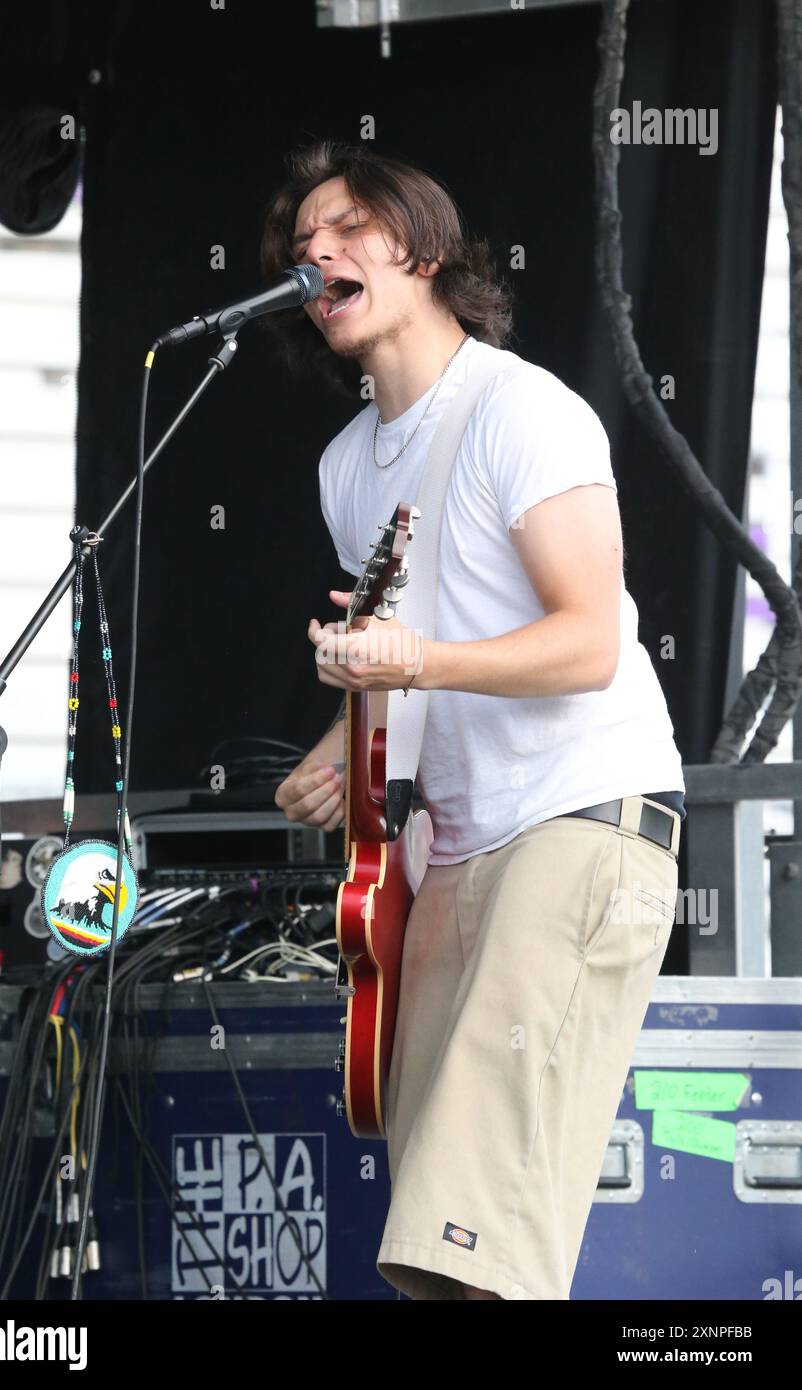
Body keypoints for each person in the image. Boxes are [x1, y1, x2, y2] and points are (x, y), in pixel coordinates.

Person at [263, 140, 685, 1302]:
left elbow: (586, 640)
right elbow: (411, 665)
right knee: (437, 1248)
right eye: (302, 243)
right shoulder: (347, 466)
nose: (317, 250)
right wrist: (340, 743)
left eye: (346, 227)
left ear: (426, 248)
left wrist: (416, 657)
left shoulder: (522, 410)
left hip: (572, 821)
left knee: (478, 1240)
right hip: (454, 852)